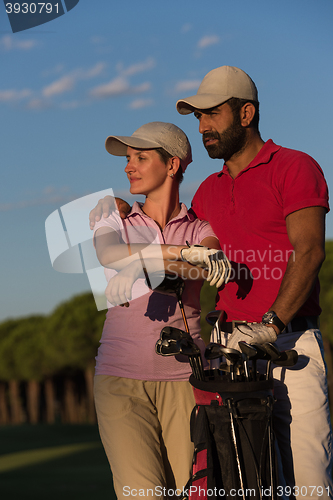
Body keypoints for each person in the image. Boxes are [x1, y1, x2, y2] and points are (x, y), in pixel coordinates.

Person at [90, 67, 333, 499]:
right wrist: (122, 214)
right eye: (197, 118)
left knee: (309, 485)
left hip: (288, 344)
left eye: (212, 114)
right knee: (237, 486)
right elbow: (184, 249)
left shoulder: (295, 166)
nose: (203, 127)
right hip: (223, 356)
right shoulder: (207, 193)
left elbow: (310, 251)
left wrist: (272, 324)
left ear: (246, 114)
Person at [92, 121, 229, 500]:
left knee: (193, 492)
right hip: (119, 380)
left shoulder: (201, 227)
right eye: (127, 158)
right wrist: (169, 255)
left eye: (140, 157)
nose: (127, 166)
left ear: (172, 165)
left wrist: (143, 264)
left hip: (186, 379)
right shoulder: (113, 218)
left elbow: (208, 267)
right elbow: (110, 255)